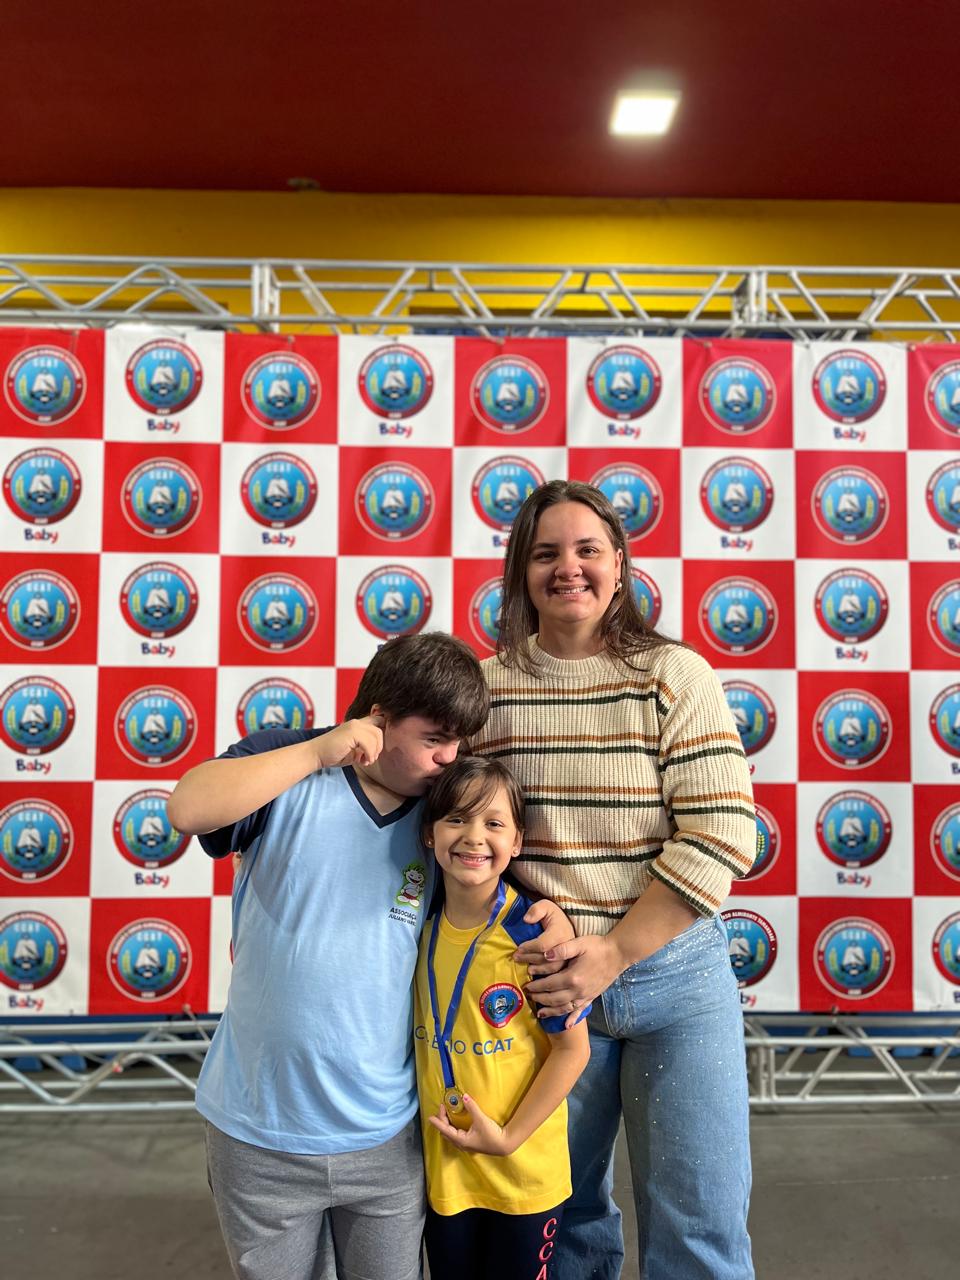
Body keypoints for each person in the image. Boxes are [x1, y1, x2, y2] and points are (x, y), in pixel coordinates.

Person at [167, 632, 576, 1280]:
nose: (449, 758)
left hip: (388, 1134)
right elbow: (188, 808)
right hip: (260, 1130)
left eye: (458, 741)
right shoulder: (290, 765)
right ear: (379, 721)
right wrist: (316, 750)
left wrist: (548, 912)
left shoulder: (442, 815)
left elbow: (489, 888)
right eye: (435, 738)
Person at [471, 480, 757, 1280]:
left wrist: (616, 953)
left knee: (700, 1225)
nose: (569, 568)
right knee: (562, 1221)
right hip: (547, 987)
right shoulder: (486, 690)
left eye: (588, 549)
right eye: (546, 553)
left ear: (620, 565)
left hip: (678, 981)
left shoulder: (674, 674)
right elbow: (464, 839)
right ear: (521, 572)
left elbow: (722, 833)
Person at [413, 755, 590, 1280]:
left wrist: (509, 1138)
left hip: (523, 1177)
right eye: (456, 819)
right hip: (446, 1175)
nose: (473, 836)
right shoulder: (412, 926)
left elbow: (573, 1050)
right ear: (429, 832)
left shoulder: (533, 938)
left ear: (517, 842)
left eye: (493, 823)